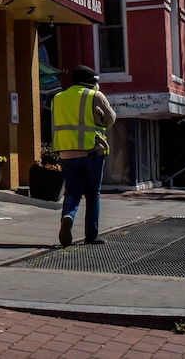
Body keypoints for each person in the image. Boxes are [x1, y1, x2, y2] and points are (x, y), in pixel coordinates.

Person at [53, 64, 117, 246]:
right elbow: (111, 118)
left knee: (71, 192)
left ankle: (68, 216)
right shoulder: (95, 95)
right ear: (92, 81)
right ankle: (92, 235)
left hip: (66, 152)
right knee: (93, 194)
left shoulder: (58, 97)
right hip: (92, 151)